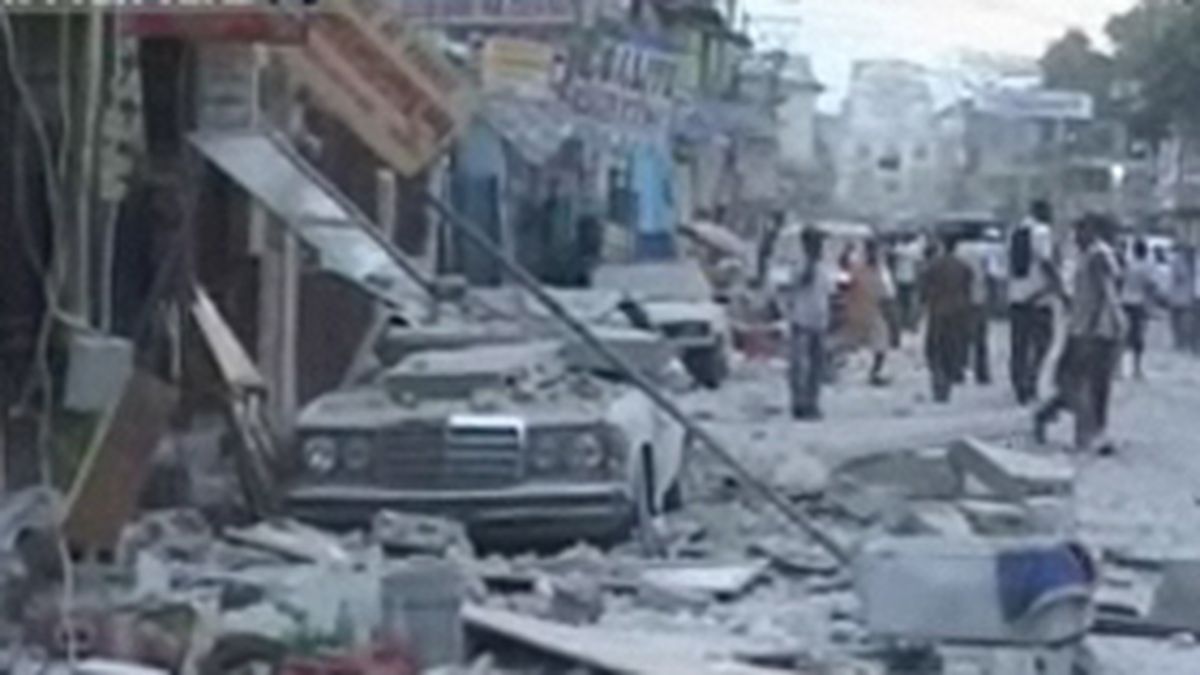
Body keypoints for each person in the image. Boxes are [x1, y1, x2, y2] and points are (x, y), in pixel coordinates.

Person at [1035, 214, 1125, 454]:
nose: (1075, 237)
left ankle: (1086, 432)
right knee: (1079, 381)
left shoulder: (1097, 257)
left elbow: (1103, 294)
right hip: (1088, 327)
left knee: (1080, 381)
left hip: (1094, 331)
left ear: (1092, 231)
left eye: (1080, 231)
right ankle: (1085, 430)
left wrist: (1091, 327)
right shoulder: (1090, 256)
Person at [1008, 200, 1063, 405]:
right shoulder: (1041, 232)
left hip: (1016, 296)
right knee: (1043, 342)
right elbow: (1046, 261)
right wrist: (1060, 288)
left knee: (1019, 346)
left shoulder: (1015, 232)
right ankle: (1030, 381)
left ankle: (1019, 384)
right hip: (1039, 298)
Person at [784, 227, 836, 420]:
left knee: (816, 367)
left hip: (819, 322)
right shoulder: (801, 264)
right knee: (801, 366)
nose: (820, 247)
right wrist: (811, 263)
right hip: (802, 322)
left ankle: (812, 403)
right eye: (817, 243)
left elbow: (826, 295)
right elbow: (802, 281)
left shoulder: (823, 266)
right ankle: (800, 404)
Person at [920, 235, 975, 403]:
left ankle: (939, 384)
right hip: (958, 312)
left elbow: (924, 289)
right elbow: (968, 290)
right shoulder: (964, 267)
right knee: (952, 349)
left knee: (936, 349)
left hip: (938, 311)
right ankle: (948, 384)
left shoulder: (933, 266)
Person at [842, 239, 893, 386]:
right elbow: (844, 270)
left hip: (872, 312)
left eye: (874, 252)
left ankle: (874, 373)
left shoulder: (879, 272)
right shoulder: (858, 268)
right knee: (845, 343)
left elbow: (884, 295)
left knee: (881, 344)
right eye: (870, 251)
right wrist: (846, 251)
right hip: (856, 312)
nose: (873, 255)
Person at [1120, 238, 1160, 378]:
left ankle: (1118, 368)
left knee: (1124, 335)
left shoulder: (1129, 265)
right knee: (1138, 337)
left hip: (1125, 301)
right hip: (1139, 303)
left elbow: (1120, 280)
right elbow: (1152, 286)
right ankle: (1136, 369)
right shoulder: (1147, 267)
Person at [957, 238, 993, 384]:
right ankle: (982, 373)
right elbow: (991, 274)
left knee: (962, 337)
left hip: (962, 299)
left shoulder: (958, 250)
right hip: (979, 297)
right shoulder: (984, 250)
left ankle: (959, 370)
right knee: (981, 339)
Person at [1169, 243, 1194, 352]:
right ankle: (1179, 342)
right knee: (1177, 321)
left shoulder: (1189, 262)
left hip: (1185, 297)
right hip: (1179, 295)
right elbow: (1178, 276)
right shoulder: (1179, 261)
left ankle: (1182, 342)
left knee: (1183, 321)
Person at [893, 236, 922, 331]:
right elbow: (918, 264)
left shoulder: (899, 247)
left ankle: (905, 323)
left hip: (904, 279)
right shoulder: (915, 248)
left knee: (905, 303)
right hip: (908, 279)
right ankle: (908, 324)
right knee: (908, 304)